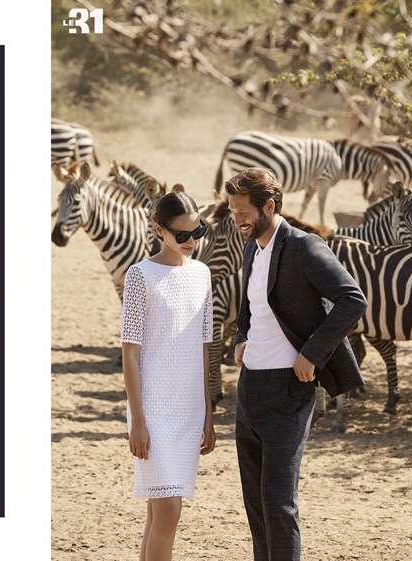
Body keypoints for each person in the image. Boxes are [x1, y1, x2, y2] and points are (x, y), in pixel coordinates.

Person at [225, 167, 367, 561]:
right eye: (233, 211)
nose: (236, 219)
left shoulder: (305, 246)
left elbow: (352, 299)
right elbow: (251, 303)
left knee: (278, 504)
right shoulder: (253, 246)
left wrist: (312, 354)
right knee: (255, 506)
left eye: (242, 212)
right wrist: (241, 336)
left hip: (289, 392)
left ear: (268, 206)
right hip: (249, 391)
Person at [120, 188, 216, 561]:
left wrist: (208, 415)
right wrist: (138, 421)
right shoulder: (140, 276)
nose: (192, 241)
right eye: (182, 235)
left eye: (198, 232)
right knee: (169, 512)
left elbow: (203, 349)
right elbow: (130, 352)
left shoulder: (203, 274)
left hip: (190, 411)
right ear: (160, 230)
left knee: (157, 514)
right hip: (154, 412)